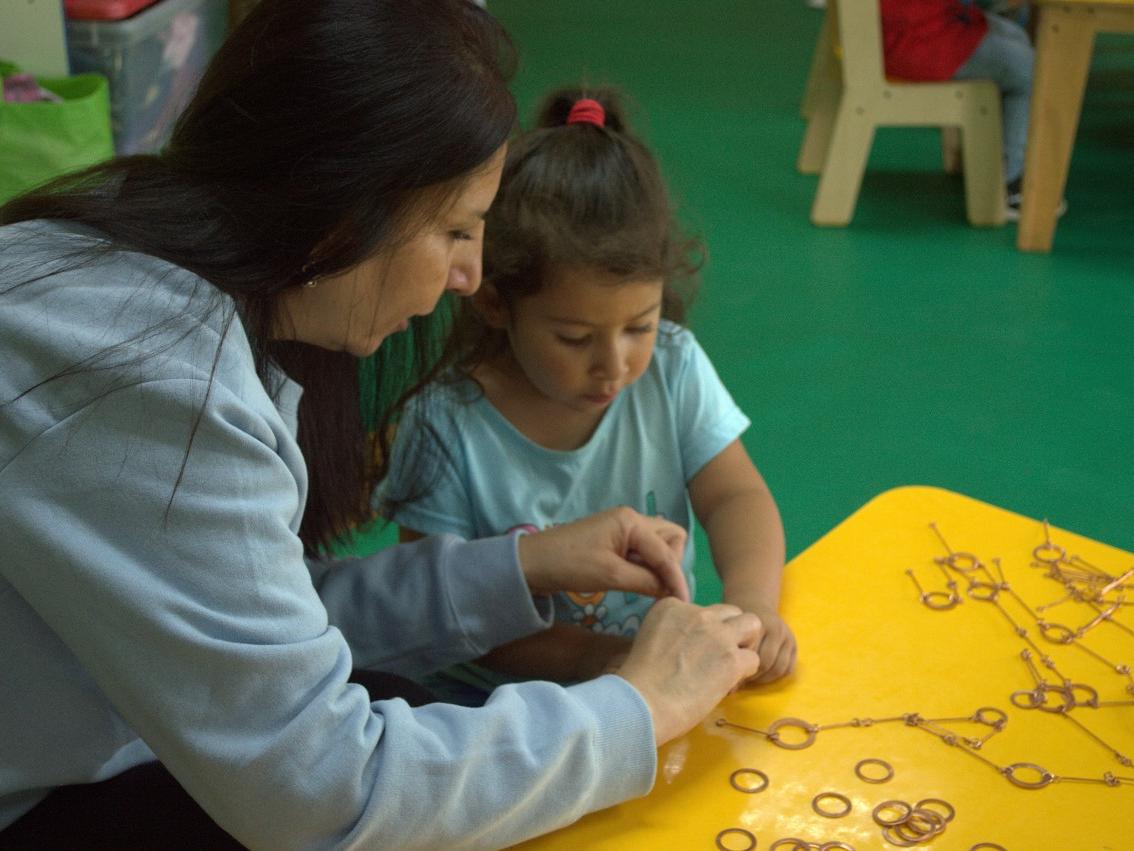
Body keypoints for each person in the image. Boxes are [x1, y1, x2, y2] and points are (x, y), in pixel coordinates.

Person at [0, 2, 766, 848]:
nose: (472, 276)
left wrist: (519, 564)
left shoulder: (141, 260)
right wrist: (642, 704)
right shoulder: (144, 383)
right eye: (456, 230)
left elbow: (256, 616)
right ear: (342, 211)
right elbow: (326, 790)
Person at [381, 87, 795, 706]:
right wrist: (607, 659)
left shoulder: (673, 365)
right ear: (495, 304)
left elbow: (736, 495)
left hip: (644, 687)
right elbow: (442, 609)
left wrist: (753, 605)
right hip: (493, 710)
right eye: (574, 338)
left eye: (640, 326)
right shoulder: (444, 424)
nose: (615, 365)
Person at [879, 0, 1048, 219]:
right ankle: (1009, 185)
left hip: (905, 27)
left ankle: (990, 160)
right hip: (916, 40)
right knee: (1032, 71)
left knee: (1015, 36)